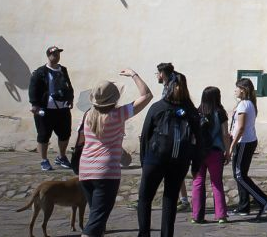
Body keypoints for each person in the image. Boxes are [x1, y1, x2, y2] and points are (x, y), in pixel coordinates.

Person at [78, 69, 153, 237]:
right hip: (106, 172)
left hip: (85, 170)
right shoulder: (118, 114)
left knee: (97, 218)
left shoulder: (87, 115)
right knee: (96, 221)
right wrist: (134, 75)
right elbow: (147, 95)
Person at [137, 72, 202, 237]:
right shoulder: (191, 111)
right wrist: (195, 165)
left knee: (145, 199)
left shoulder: (158, 107)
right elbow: (199, 139)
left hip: (155, 159)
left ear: (168, 87)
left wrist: (144, 160)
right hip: (180, 161)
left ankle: (144, 234)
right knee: (170, 200)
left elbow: (145, 135)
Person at [228, 77, 267, 220]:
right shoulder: (248, 104)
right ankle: (243, 206)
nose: (235, 90)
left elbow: (240, 128)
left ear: (243, 89)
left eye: (237, 88)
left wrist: (232, 145)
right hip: (248, 141)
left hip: (243, 142)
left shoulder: (244, 105)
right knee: (241, 175)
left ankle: (263, 200)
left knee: (239, 175)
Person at [28, 45, 75, 171]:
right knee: (43, 135)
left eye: (58, 54)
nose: (57, 56)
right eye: (54, 54)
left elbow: (69, 86)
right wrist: (34, 105)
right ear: (48, 56)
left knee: (65, 134)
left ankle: (62, 157)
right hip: (45, 110)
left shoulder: (63, 70)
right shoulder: (40, 72)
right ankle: (44, 159)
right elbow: (33, 89)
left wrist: (70, 99)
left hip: (62, 109)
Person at [153, 62, 191, 211]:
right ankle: (183, 199)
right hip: (168, 133)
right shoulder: (167, 87)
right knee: (171, 169)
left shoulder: (172, 89)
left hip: (173, 136)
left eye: (157, 73)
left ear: (162, 74)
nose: (156, 76)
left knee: (169, 169)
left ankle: (181, 200)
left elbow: (180, 111)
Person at [191, 86, 231, 224]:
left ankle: (196, 215)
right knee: (216, 183)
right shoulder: (220, 113)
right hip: (215, 151)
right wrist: (228, 151)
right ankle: (220, 215)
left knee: (197, 182)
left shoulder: (197, 112)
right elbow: (225, 134)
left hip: (199, 152)